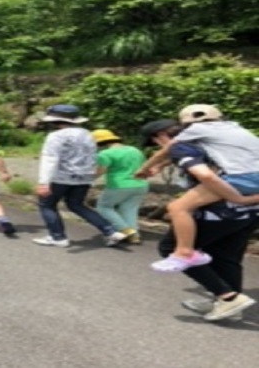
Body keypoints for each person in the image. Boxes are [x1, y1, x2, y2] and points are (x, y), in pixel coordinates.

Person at [141, 119, 257, 321]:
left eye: (155, 142)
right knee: (225, 256)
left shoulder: (184, 147)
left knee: (171, 248)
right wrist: (158, 165)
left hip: (219, 212)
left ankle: (227, 297)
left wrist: (236, 198)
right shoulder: (228, 146)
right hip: (251, 212)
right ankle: (229, 306)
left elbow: (206, 176)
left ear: (160, 136)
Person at [138, 105, 259, 271]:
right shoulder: (235, 128)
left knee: (178, 208)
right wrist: (160, 166)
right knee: (228, 256)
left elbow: (169, 150)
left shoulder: (195, 129)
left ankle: (184, 252)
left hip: (240, 178)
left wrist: (144, 168)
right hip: (253, 180)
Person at [32, 105, 127, 247]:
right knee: (77, 205)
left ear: (54, 120)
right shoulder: (87, 134)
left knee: (47, 204)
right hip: (84, 177)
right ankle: (110, 231)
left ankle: (58, 237)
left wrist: (43, 183)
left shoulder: (56, 136)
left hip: (61, 177)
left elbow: (50, 159)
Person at [91, 129, 149, 244]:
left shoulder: (105, 154)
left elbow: (100, 171)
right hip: (141, 184)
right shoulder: (134, 150)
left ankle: (125, 229)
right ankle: (134, 236)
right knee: (129, 209)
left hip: (119, 185)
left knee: (104, 207)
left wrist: (88, 178)